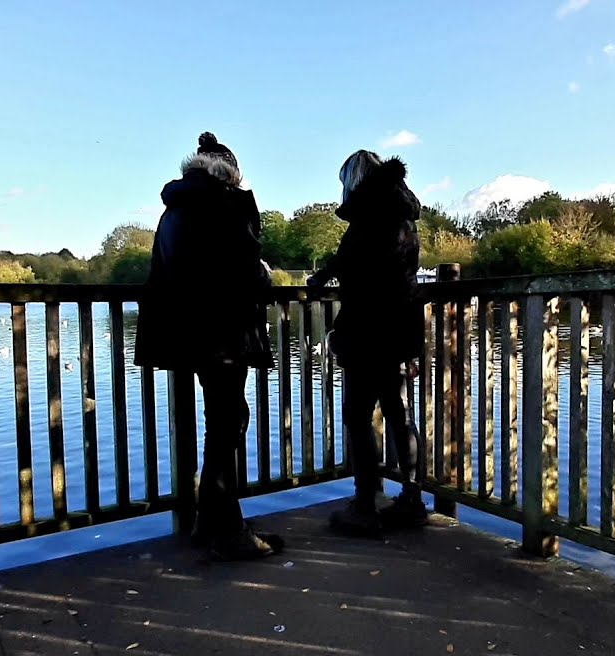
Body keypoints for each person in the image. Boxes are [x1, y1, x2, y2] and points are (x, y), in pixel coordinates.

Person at [134, 132, 283, 560]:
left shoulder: (175, 209)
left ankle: (208, 521)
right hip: (223, 332)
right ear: (230, 174)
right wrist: (264, 272)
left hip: (184, 332)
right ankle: (229, 531)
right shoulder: (226, 204)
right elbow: (247, 272)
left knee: (220, 424)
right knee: (229, 424)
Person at [308, 150, 427, 534]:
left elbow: (355, 265)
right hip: (401, 326)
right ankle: (412, 499)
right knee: (399, 413)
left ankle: (365, 504)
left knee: (357, 416)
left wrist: (322, 279)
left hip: (368, 329)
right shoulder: (400, 214)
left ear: (353, 182)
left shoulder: (369, 215)